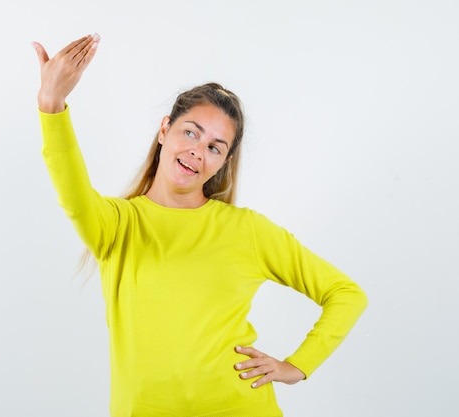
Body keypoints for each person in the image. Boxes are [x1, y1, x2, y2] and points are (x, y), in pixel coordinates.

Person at [33, 33, 367, 417]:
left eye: (215, 146)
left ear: (223, 162)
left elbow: (346, 293)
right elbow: (71, 191)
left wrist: (298, 365)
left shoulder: (248, 230)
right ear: (164, 130)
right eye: (190, 131)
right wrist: (51, 103)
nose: (197, 150)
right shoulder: (116, 225)